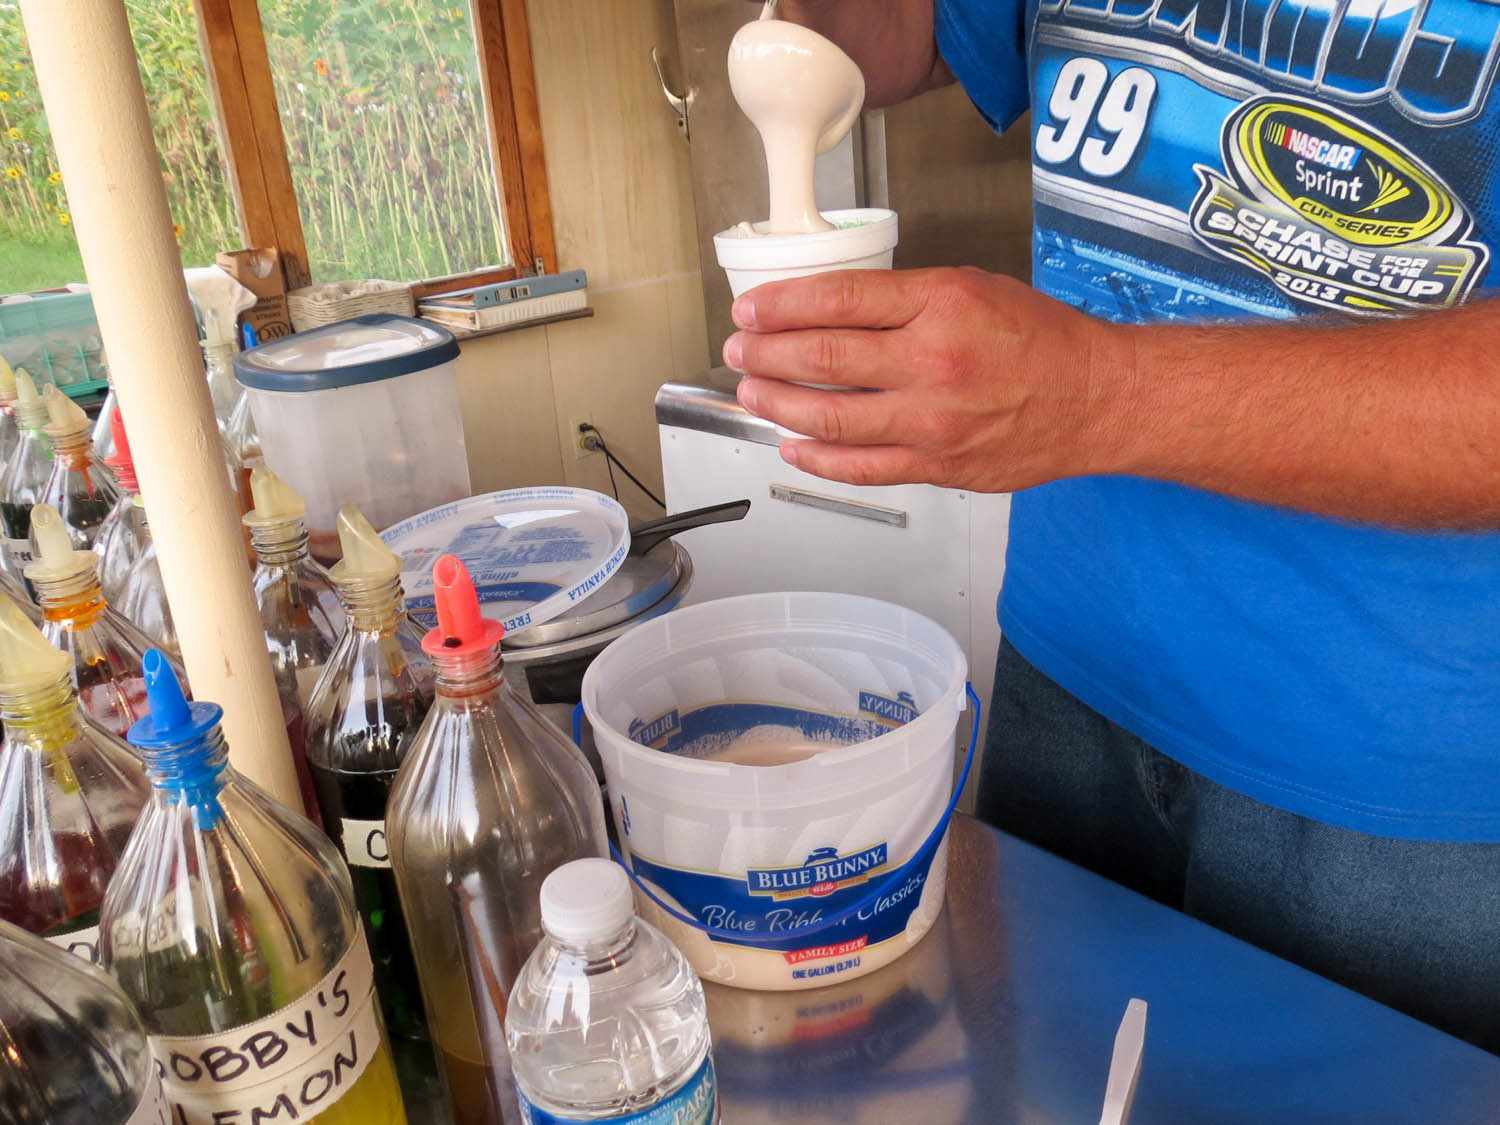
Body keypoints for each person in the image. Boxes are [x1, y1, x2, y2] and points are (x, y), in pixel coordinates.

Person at [727, 0, 1500, 1051]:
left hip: (1401, 772)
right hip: (1072, 680)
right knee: (1048, 1085)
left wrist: (1099, 395)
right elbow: (901, 34)